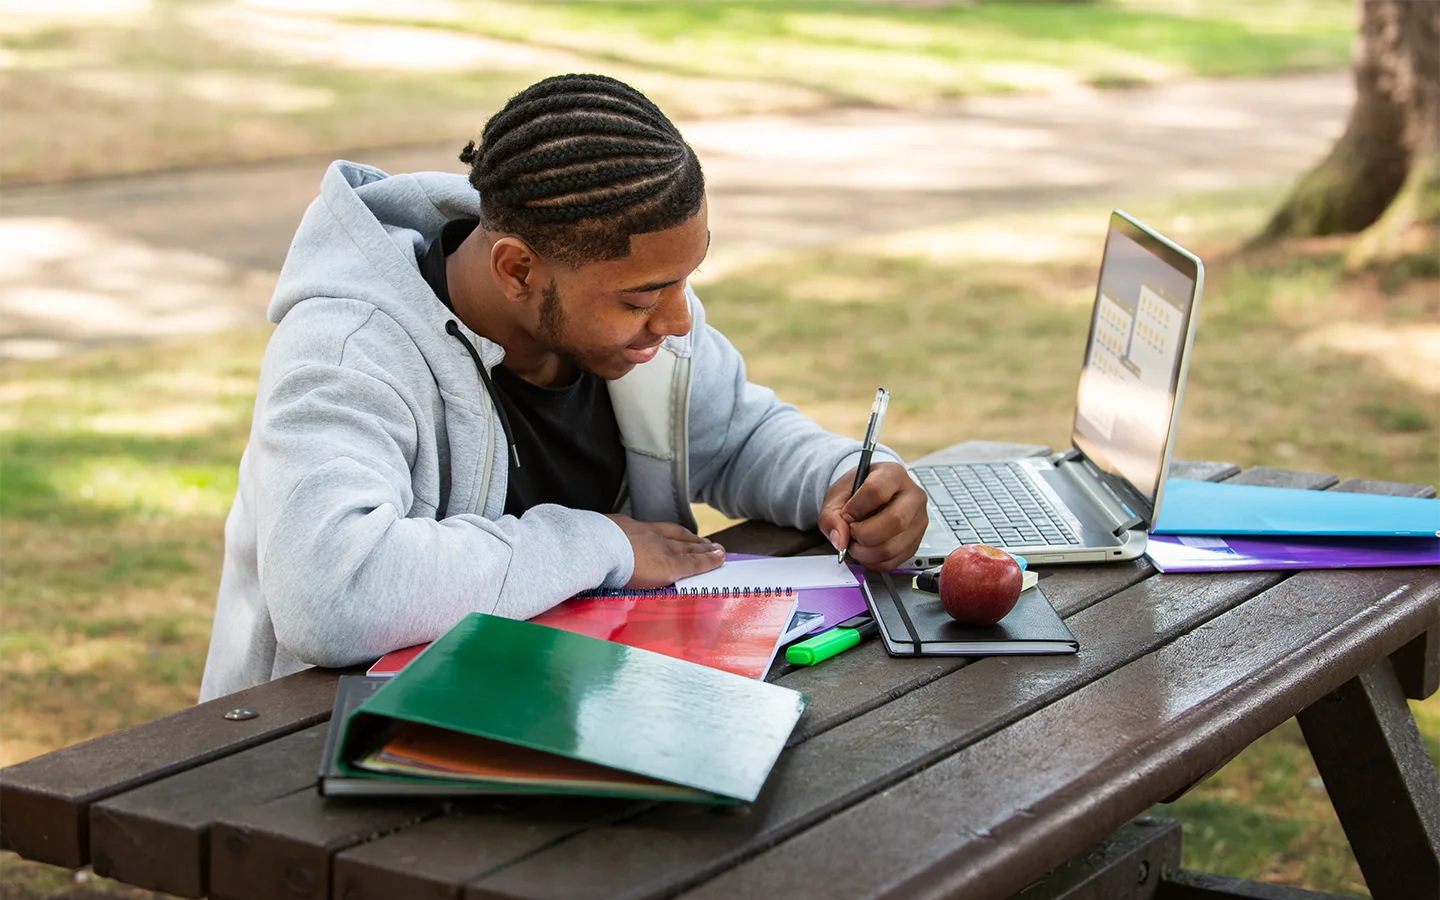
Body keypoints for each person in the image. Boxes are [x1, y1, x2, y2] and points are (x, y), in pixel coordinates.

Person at [198, 73, 927, 702]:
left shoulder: (627, 326)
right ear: (517, 271)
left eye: (685, 281)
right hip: (330, 751)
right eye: (641, 299)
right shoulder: (348, 348)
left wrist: (843, 479)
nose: (675, 321)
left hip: (569, 707)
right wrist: (598, 544)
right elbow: (333, 590)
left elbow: (735, 438)